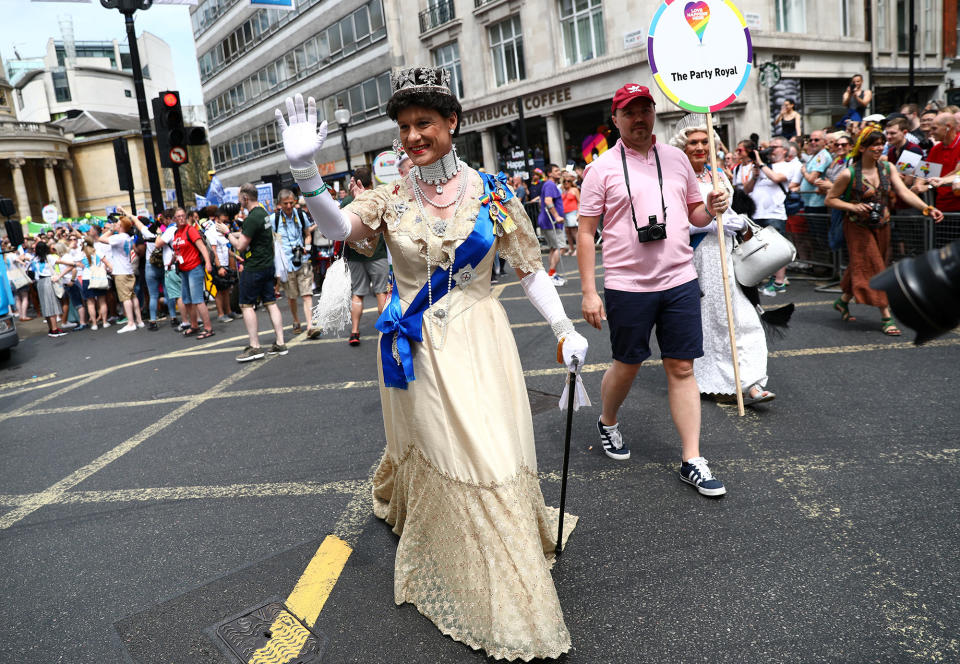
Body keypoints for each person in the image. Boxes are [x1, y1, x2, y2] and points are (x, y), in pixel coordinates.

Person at [274, 66, 589, 660]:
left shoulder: (493, 192)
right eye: (405, 126)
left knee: (496, 450)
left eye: (426, 123)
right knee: (456, 451)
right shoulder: (392, 193)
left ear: (452, 124)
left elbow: (529, 270)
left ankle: (503, 544)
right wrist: (304, 172)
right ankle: (493, 578)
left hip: (482, 339)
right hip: (415, 342)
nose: (414, 136)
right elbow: (342, 228)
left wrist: (564, 326)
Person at [576, 83, 729, 496]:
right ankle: (608, 422)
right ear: (616, 119)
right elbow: (586, 233)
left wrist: (711, 206)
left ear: (653, 112)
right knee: (627, 363)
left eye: (645, 109)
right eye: (630, 112)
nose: (639, 117)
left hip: (679, 279)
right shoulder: (601, 169)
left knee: (681, 368)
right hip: (627, 285)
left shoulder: (677, 159)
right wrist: (589, 291)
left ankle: (692, 459)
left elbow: (695, 215)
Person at [670, 115, 774, 404]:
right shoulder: (675, 178)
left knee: (744, 317)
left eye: (705, 141)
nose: (700, 147)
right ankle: (716, 381)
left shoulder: (719, 175)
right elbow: (675, 221)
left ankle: (750, 381)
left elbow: (727, 213)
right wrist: (710, 224)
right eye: (693, 142)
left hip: (727, 253)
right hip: (697, 256)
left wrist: (737, 223)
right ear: (682, 145)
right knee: (713, 320)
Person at [825, 126, 943, 335]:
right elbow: (830, 199)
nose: (879, 148)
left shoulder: (888, 168)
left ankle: (843, 301)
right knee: (875, 266)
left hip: (882, 224)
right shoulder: (848, 173)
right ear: (862, 148)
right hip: (857, 226)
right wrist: (853, 206)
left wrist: (927, 208)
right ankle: (887, 316)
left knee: (863, 265)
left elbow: (904, 192)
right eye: (874, 145)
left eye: (881, 144)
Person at [221, 183, 287, 361]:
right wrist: (235, 233)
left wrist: (227, 233)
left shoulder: (252, 218)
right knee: (271, 302)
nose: (238, 201)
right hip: (267, 266)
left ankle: (255, 346)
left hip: (254, 267)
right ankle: (280, 343)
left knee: (246, 305)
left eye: (239, 198)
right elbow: (250, 235)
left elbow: (241, 245)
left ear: (245, 198)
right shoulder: (263, 213)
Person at [342, 166, 390, 346]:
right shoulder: (375, 198)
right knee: (381, 291)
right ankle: (386, 330)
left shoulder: (346, 200)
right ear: (370, 181)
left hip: (355, 256)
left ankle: (354, 331)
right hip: (377, 255)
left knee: (358, 294)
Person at [743, 140, 791, 295]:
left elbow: (777, 179)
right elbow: (747, 190)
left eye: (774, 147)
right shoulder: (760, 167)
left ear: (784, 150)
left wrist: (761, 164)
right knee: (762, 250)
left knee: (778, 249)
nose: (770, 150)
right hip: (757, 214)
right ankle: (770, 279)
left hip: (774, 214)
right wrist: (755, 175)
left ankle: (779, 282)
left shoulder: (788, 165)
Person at [273, 188, 318, 337]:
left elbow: (307, 234)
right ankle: (296, 320)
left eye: (291, 203)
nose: (288, 206)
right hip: (286, 264)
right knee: (292, 297)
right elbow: (271, 240)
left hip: (302, 260)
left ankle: (310, 326)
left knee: (307, 294)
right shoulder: (274, 219)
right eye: (285, 203)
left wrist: (307, 247)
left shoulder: (301, 214)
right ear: (279, 203)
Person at [167, 208, 215, 339]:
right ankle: (194, 325)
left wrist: (208, 263)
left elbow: (202, 248)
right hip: (183, 271)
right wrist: (170, 262)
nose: (181, 218)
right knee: (187, 300)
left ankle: (208, 328)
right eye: (178, 216)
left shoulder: (191, 230)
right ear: (174, 219)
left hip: (194, 269)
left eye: (183, 216)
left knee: (198, 300)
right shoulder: (177, 233)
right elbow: (177, 251)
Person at [98, 215, 150, 334]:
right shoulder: (126, 237)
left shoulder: (119, 237)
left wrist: (111, 229)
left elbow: (101, 239)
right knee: (133, 296)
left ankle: (131, 323)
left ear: (120, 226)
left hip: (121, 271)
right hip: (128, 269)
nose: (115, 224)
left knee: (125, 298)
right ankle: (139, 320)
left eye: (117, 223)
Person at [538, 163, 567, 285]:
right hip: (552, 223)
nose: (559, 172)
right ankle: (551, 274)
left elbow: (541, 202)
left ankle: (551, 273)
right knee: (561, 247)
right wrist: (556, 216)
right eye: (556, 171)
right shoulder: (550, 184)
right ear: (549, 173)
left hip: (547, 222)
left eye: (559, 170)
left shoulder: (549, 184)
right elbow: (547, 201)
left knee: (553, 248)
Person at [561, 171, 580, 255]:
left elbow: (579, 202)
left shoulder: (575, 190)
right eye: (564, 181)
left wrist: (578, 213)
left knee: (574, 231)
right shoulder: (563, 191)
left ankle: (578, 249)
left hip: (573, 212)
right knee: (567, 231)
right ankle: (571, 248)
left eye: (568, 181)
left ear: (571, 182)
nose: (566, 182)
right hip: (565, 213)